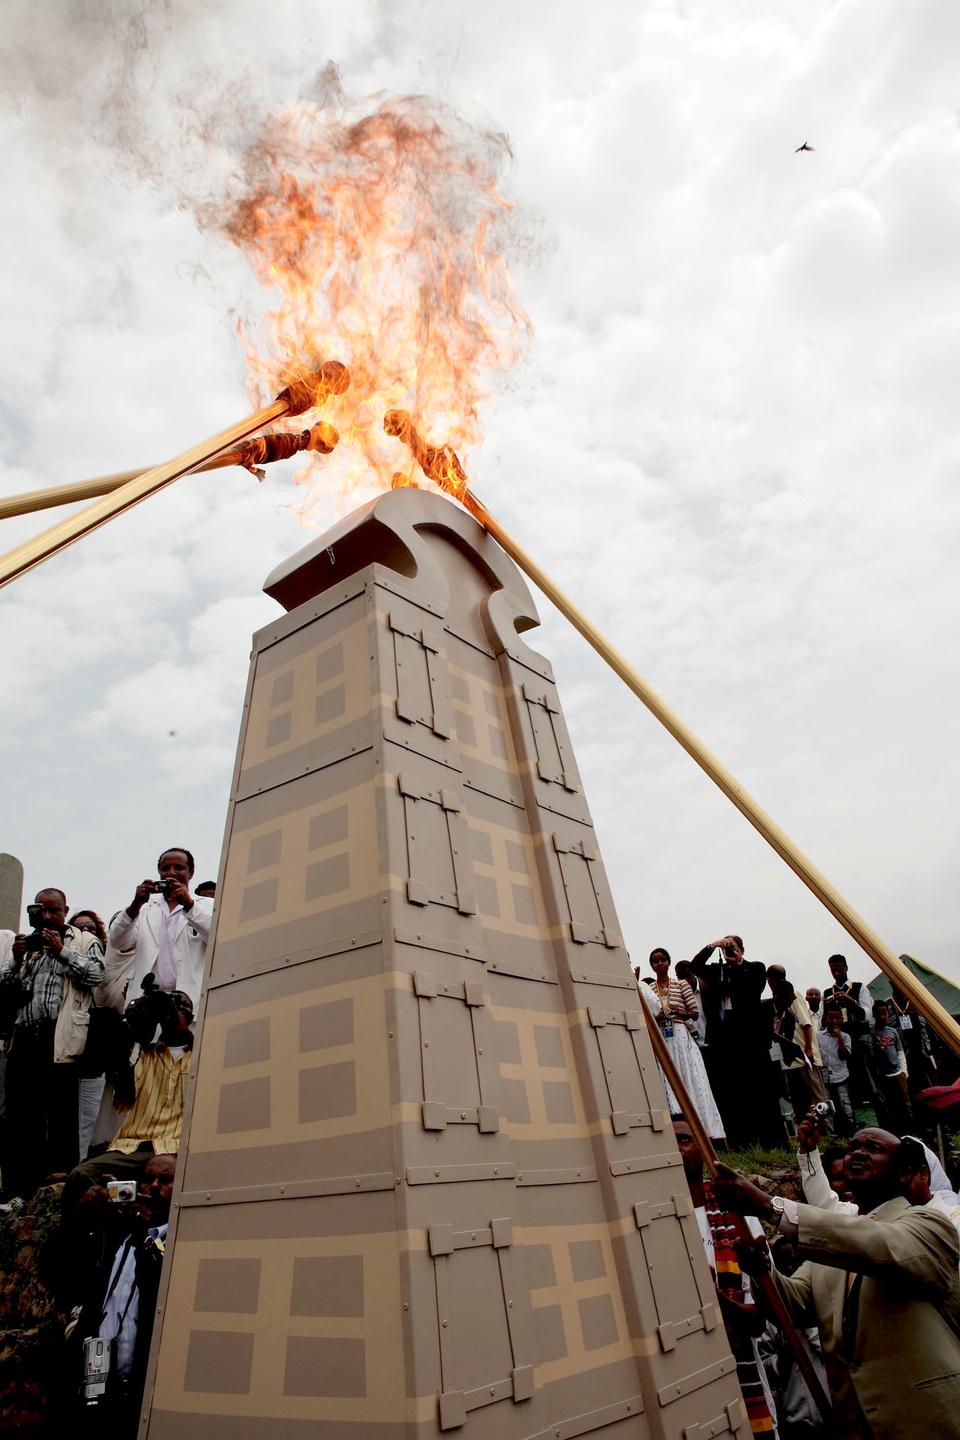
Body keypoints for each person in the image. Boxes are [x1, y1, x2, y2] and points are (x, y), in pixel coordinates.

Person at [716, 1129, 960, 1439]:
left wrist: (772, 1207)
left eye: (873, 1148)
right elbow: (794, 1305)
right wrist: (762, 1270)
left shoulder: (930, 1224)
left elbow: (878, 1244)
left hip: (928, 1420)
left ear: (904, 1173)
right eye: (852, 1147)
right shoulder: (832, 1246)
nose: (857, 1153)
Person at [671, 1117, 779, 1436]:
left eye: (685, 1140)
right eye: (667, 1140)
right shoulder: (650, 1217)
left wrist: (714, 1300)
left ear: (704, 1150)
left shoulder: (735, 1212)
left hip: (739, 1359)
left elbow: (761, 1317)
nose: (675, 1148)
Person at [0, 888, 104, 1198]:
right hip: (23, 1040)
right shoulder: (27, 944)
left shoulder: (84, 940)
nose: (46, 917)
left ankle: (61, 1191)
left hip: (59, 1040)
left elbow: (97, 975)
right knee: (20, 1120)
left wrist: (61, 950)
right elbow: (6, 987)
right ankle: (17, 1192)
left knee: (61, 1120)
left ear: (65, 910)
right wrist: (17, 961)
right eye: (40, 911)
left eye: (53, 910)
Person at [66, 1152, 175, 1433]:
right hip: (97, 1383)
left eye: (165, 1180)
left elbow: (157, 1280)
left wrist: (142, 1233)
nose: (153, 1187)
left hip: (147, 1393)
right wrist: (81, 1215)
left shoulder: (179, 1242)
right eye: (147, 1179)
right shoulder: (112, 1236)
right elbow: (57, 1271)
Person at [65, 983, 194, 1207]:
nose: (167, 1017)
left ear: (190, 1017)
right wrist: (137, 1018)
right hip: (131, 1147)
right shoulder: (142, 1052)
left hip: (175, 1148)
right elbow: (119, 1067)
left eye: (173, 1011)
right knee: (80, 1175)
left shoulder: (202, 1055)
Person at [106, 848, 211, 1012]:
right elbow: (118, 942)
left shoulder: (206, 905)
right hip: (146, 1006)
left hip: (190, 1003)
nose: (171, 873)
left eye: (179, 868)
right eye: (165, 868)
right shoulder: (144, 907)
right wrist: (135, 905)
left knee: (185, 1038)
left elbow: (217, 937)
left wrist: (189, 905)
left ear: (191, 872)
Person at [645, 949, 724, 1140]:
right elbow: (648, 1017)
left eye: (663, 960)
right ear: (652, 966)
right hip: (663, 1037)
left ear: (668, 962)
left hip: (681, 1034)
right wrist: (659, 1015)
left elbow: (694, 1012)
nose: (660, 964)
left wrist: (678, 1010)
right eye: (656, 962)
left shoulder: (681, 985)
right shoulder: (650, 989)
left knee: (691, 1079)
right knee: (668, 1080)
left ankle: (705, 1131)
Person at [69, 910, 112, 1162]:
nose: (85, 933)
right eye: (78, 928)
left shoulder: (108, 961)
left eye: (90, 928)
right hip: (67, 1050)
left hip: (96, 1054)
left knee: (90, 1118)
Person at [769, 974, 826, 1120]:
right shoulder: (774, 1004)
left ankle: (826, 1131)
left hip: (804, 1059)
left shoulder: (793, 996)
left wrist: (808, 1050)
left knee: (817, 1098)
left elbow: (806, 1024)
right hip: (788, 1063)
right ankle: (805, 1133)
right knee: (799, 1103)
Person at [822, 955, 874, 1105]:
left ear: (846, 968)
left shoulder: (859, 987)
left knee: (868, 1077)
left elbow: (867, 1015)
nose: (836, 974)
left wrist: (850, 1001)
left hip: (860, 1038)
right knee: (847, 1081)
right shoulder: (827, 993)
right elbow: (822, 1021)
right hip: (839, 1042)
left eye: (839, 970)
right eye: (833, 971)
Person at [871, 1001, 912, 1135]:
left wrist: (903, 1072)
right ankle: (892, 1133)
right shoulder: (871, 1033)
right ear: (874, 1015)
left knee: (904, 1104)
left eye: (885, 1014)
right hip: (883, 1077)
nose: (883, 1017)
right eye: (879, 1014)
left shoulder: (893, 1031)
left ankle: (908, 1132)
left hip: (897, 1074)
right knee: (890, 1105)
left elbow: (900, 1052)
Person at [816, 1004, 856, 1135]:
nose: (834, 1021)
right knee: (828, 1105)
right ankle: (832, 1132)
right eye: (831, 1018)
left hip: (841, 1076)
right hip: (825, 1077)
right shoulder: (818, 1036)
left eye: (837, 1018)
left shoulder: (845, 1037)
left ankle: (850, 1130)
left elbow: (845, 1055)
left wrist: (839, 1038)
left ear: (841, 1019)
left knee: (845, 1104)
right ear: (825, 1019)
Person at [675, 959, 708, 1048]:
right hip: (691, 1046)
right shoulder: (678, 994)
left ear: (693, 973)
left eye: (686, 975)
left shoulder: (708, 989)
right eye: (680, 977)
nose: (684, 980)